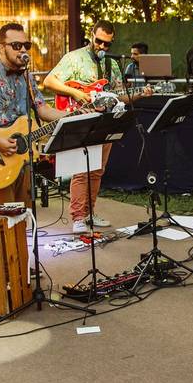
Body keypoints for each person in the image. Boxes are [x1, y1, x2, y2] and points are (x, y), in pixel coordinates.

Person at [0, 22, 67, 206]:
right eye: (16, 46)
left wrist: (73, 114)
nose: (23, 50)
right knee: (5, 223)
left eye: (26, 46)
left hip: (24, 160)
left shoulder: (27, 77)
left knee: (26, 219)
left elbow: (42, 109)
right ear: (1, 48)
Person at [43, 20, 126, 234]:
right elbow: (49, 82)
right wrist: (76, 93)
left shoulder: (112, 65)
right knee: (82, 170)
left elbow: (117, 94)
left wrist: (141, 93)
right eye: (99, 41)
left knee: (97, 170)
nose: (102, 47)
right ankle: (78, 216)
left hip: (103, 120)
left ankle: (89, 213)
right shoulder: (73, 58)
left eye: (107, 44)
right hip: (81, 120)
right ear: (91, 36)